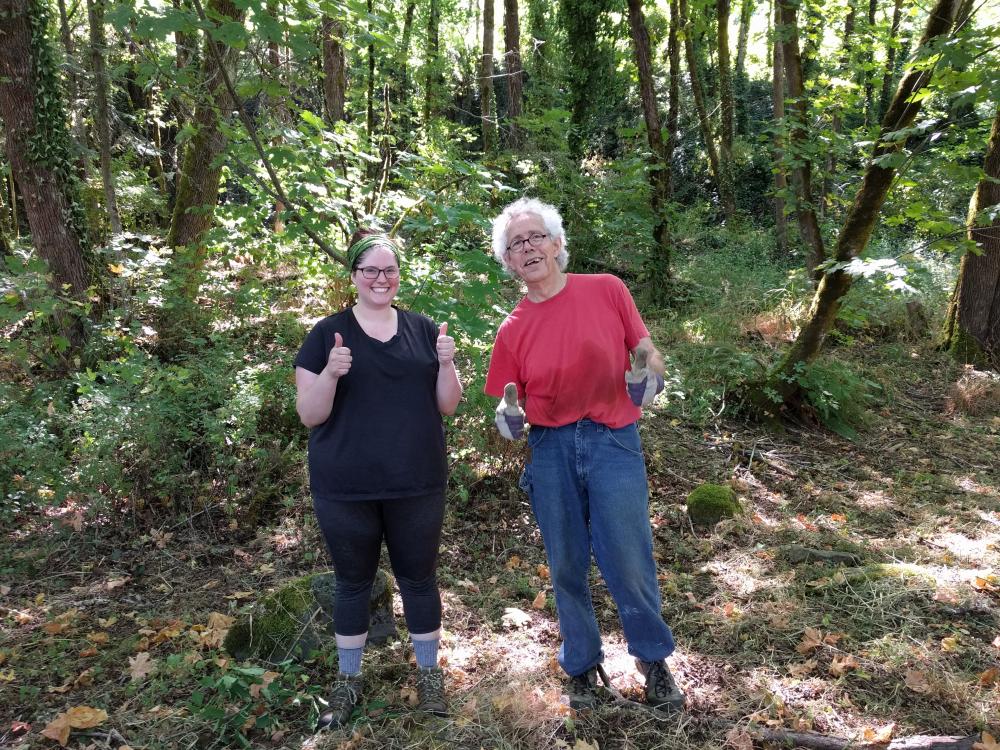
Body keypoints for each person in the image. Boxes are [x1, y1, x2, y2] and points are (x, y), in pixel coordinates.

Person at [484, 197, 684, 712]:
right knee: (566, 563)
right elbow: (509, 406)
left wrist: (650, 374)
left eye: (535, 237)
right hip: (549, 449)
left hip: (612, 440)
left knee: (628, 556)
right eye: (515, 245)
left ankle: (653, 662)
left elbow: (647, 350)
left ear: (556, 244)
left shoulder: (607, 289)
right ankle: (581, 665)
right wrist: (507, 421)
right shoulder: (511, 329)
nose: (527, 248)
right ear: (507, 262)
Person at [294, 230, 463, 727]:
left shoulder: (423, 329)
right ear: (354, 277)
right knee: (352, 583)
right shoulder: (327, 334)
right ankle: (347, 683)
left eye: (389, 270)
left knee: (418, 578)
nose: (380, 278)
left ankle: (430, 676)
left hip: (417, 481)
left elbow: (447, 404)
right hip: (346, 487)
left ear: (398, 276)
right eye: (370, 270)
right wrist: (329, 373)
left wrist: (448, 362)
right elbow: (309, 414)